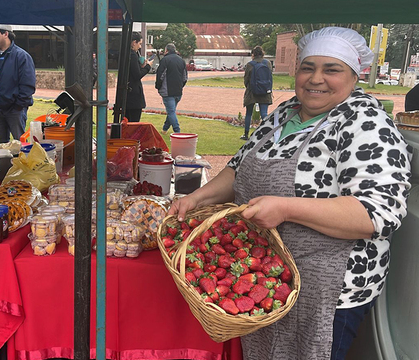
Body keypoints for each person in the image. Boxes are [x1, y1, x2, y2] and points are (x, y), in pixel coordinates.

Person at [169, 27, 412, 360]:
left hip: (326, 288)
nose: (316, 78)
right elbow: (238, 168)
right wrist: (198, 198)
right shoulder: (284, 114)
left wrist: (286, 208)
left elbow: (378, 213)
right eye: (308, 67)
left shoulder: (367, 125)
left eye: (332, 69)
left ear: (356, 76)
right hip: (265, 274)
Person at [0, 24, 36, 145]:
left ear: (6, 34)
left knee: (20, 143)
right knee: (2, 145)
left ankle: (22, 164)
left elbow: (28, 85)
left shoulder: (21, 56)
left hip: (14, 110)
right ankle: (5, 164)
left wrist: (18, 106)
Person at [241, 46, 273, 140]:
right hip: (265, 90)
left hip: (252, 92)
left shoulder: (250, 64)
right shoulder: (267, 63)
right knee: (264, 113)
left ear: (253, 54)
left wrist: (249, 87)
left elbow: (246, 79)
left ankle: (246, 134)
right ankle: (267, 134)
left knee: (249, 113)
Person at [155, 43, 187, 134]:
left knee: (171, 112)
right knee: (171, 111)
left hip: (167, 91)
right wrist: (181, 86)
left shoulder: (165, 60)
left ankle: (177, 132)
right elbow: (185, 77)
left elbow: (160, 76)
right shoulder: (181, 61)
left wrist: (158, 87)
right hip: (178, 91)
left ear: (166, 50)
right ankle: (165, 129)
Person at [125, 32, 152, 123]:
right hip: (133, 96)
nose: (140, 47)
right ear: (134, 43)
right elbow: (137, 75)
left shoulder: (126, 54)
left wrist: (141, 66)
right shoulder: (132, 55)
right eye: (139, 43)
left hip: (127, 95)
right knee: (133, 122)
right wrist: (148, 67)